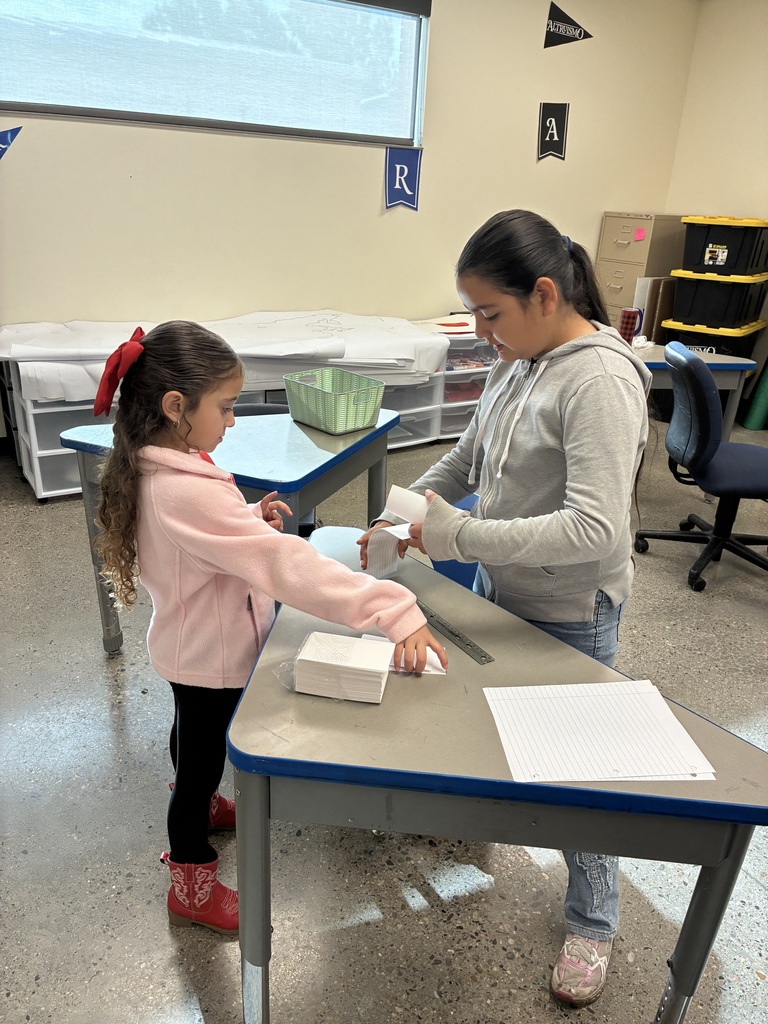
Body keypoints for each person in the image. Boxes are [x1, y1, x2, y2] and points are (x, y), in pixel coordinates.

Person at [358, 210, 652, 1008]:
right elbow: (470, 454)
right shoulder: (518, 358)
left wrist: (452, 531)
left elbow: (596, 530)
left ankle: (593, 921)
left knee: (576, 769)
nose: (482, 331)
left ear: (546, 294)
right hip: (504, 582)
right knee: (482, 714)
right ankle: (477, 815)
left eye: (491, 313)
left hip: (569, 607)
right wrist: (407, 509)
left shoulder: (598, 380)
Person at [93, 320, 447, 937]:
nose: (231, 421)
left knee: (192, 740)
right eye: (225, 408)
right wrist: (390, 608)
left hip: (191, 645)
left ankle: (202, 804)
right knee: (200, 760)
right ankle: (191, 881)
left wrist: (246, 520)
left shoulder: (169, 468)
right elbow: (287, 564)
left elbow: (199, 545)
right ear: (176, 408)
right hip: (210, 656)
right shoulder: (185, 491)